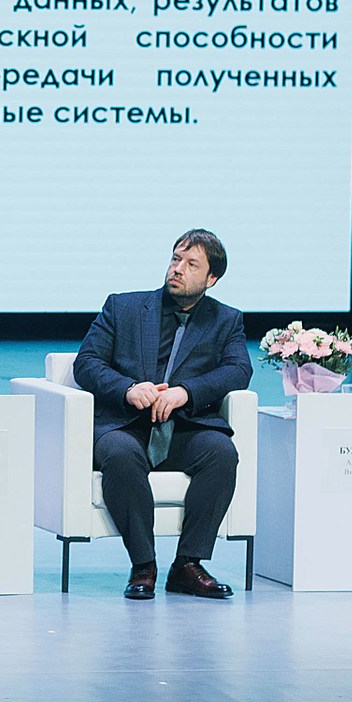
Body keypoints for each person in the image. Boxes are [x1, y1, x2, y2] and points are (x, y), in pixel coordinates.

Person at [72, 230, 252, 599]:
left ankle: (188, 565)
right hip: (127, 424)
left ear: (212, 279)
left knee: (221, 453)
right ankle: (144, 565)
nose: (177, 269)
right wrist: (128, 388)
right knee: (120, 454)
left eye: (191, 264)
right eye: (175, 259)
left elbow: (238, 369)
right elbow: (86, 363)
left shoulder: (226, 319)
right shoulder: (123, 307)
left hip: (184, 427)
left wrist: (187, 392)